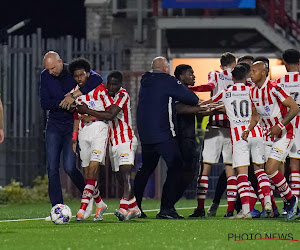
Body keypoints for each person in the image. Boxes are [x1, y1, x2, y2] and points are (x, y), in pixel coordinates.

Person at [134, 57, 199, 219]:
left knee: (146, 169)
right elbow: (192, 99)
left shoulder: (145, 80)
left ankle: (135, 207)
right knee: (177, 166)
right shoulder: (168, 81)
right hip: (163, 133)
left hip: (145, 134)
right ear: (165, 68)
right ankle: (166, 208)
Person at [39, 51, 102, 219]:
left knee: (69, 167)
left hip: (72, 124)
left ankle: (88, 198)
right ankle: (56, 208)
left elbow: (97, 80)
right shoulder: (45, 76)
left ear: (60, 62)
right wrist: (65, 102)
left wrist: (73, 96)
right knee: (52, 168)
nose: (51, 71)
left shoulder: (73, 71)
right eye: (48, 69)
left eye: (53, 68)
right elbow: (44, 102)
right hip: (53, 124)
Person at [76, 71, 140, 221]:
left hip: (126, 139)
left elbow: (110, 115)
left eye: (115, 84)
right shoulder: (104, 96)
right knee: (119, 177)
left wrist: (87, 110)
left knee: (125, 174)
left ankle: (124, 208)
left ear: (120, 85)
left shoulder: (123, 95)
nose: (111, 87)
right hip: (112, 142)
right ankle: (134, 207)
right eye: (109, 84)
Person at [206, 64, 266, 218]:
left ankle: (245, 211)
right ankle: (269, 206)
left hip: (240, 136)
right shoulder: (253, 90)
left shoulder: (226, 92)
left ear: (232, 78)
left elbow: (209, 103)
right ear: (247, 77)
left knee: (242, 174)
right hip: (256, 132)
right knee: (260, 171)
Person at [242, 61, 299, 220]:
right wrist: (248, 129)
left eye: (253, 71)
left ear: (263, 73)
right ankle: (287, 204)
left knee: (270, 169)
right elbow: (255, 116)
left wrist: (279, 126)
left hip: (284, 134)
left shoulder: (274, 88)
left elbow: (294, 108)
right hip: (267, 135)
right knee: (272, 172)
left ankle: (292, 200)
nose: (251, 73)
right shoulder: (252, 91)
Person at [189, 52, 236, 218]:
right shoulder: (239, 79)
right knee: (230, 169)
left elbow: (209, 87)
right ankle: (230, 210)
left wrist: (190, 88)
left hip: (214, 126)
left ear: (221, 64)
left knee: (206, 169)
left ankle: (200, 208)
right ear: (235, 64)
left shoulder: (215, 74)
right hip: (232, 128)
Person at [67, 58, 108, 221]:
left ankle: (83, 207)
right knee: (86, 172)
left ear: (88, 74)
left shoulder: (99, 88)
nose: (79, 78)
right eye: (76, 76)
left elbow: (108, 110)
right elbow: (76, 116)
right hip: (83, 132)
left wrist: (92, 114)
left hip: (99, 129)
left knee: (93, 168)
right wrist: (74, 138)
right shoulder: (75, 91)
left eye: (81, 75)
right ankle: (99, 203)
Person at [173, 64, 218, 206]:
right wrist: (214, 109)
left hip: (190, 137)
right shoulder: (178, 92)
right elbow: (181, 109)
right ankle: (168, 203)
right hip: (182, 137)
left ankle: (170, 204)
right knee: (184, 172)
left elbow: (200, 107)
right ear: (181, 76)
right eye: (190, 73)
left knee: (190, 172)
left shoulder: (188, 93)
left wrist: (213, 108)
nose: (194, 76)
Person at [276, 49, 300, 212]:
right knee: (296, 164)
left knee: (284, 164)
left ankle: (289, 203)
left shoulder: (278, 82)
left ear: (284, 63)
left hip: (285, 124)